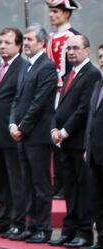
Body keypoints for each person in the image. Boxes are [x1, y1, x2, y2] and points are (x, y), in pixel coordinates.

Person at [49, 35, 100, 249]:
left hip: (78, 140)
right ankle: (69, 230)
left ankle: (84, 232)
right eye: (68, 48)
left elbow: (84, 109)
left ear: (86, 51)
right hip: (64, 142)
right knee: (69, 188)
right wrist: (53, 127)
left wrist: (64, 131)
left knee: (82, 189)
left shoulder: (92, 74)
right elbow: (60, 107)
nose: (71, 52)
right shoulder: (69, 73)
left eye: (76, 48)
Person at [9, 24, 57, 243]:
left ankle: (43, 227)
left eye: (29, 39)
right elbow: (17, 99)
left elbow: (39, 103)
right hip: (22, 134)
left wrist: (22, 127)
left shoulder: (47, 67)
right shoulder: (26, 66)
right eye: (25, 39)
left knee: (40, 183)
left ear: (41, 43)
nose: (26, 43)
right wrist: (12, 123)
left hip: (36, 136)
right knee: (27, 182)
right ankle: (32, 224)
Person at [0, 27, 26, 237]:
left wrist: (15, 125)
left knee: (16, 182)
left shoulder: (23, 67)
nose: (2, 46)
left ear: (19, 45)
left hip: (12, 134)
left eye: (7, 42)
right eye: (0, 42)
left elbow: (20, 100)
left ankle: (18, 222)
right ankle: (2, 221)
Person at [46, 0, 81, 200]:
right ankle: (57, 182)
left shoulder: (71, 36)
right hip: (53, 92)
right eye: (50, 11)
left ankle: (64, 184)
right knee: (53, 139)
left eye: (56, 11)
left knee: (62, 137)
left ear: (66, 14)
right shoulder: (51, 37)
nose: (51, 15)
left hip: (65, 93)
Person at [81, 44, 103, 249]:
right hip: (95, 151)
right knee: (96, 197)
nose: (102, 60)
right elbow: (91, 118)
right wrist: (88, 146)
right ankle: (101, 240)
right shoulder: (99, 84)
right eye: (101, 56)